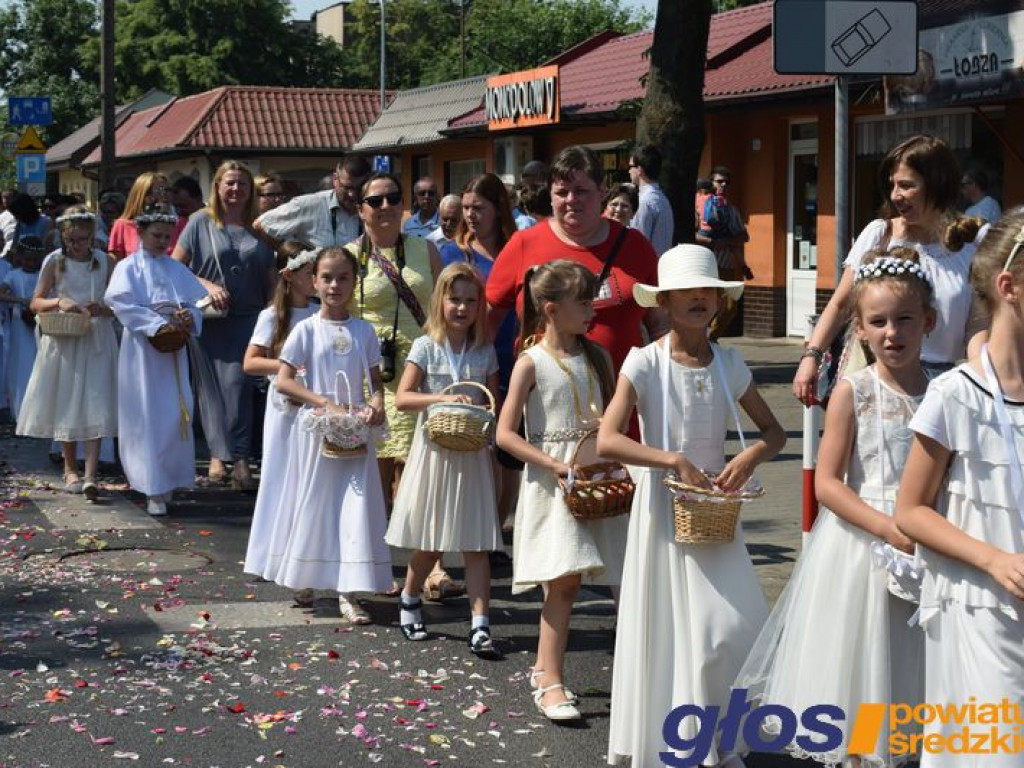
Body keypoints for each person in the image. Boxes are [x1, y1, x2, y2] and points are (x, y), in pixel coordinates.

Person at [738, 247, 932, 767]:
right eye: (879, 322)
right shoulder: (853, 392)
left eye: (905, 319)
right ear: (862, 330)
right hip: (862, 546)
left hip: (924, 547)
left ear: (928, 322)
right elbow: (827, 483)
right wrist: (888, 527)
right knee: (863, 676)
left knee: (911, 673)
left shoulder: (942, 392)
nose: (893, 332)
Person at [598, 244, 785, 766]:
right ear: (664, 301)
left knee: (731, 628)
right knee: (673, 628)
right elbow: (609, 439)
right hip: (664, 511)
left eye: (708, 290)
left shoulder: (729, 362)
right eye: (687, 291)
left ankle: (715, 738)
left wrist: (749, 455)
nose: (699, 298)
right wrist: (670, 460)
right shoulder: (645, 362)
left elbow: (773, 432)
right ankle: (677, 743)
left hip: (715, 513)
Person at [895, 208, 1024, 768]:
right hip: (980, 607)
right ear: (1009, 286)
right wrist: (993, 559)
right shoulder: (957, 394)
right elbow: (911, 511)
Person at [497, 260, 627, 722]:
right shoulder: (530, 363)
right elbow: (506, 434)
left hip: (598, 478)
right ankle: (550, 679)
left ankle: (621, 674)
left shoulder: (600, 357)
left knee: (622, 578)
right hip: (554, 485)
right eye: (584, 302)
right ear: (551, 310)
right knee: (564, 582)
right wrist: (552, 463)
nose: (594, 308)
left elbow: (616, 418)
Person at [794, 135, 987, 404]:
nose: (896, 195)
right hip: (878, 381)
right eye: (892, 185)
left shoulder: (972, 243)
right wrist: (811, 357)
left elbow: (978, 324)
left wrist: (983, 378)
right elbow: (841, 304)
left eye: (906, 185)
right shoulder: (879, 234)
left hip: (947, 388)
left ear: (937, 185)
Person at [386, 263, 502, 654]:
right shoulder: (425, 345)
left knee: (476, 543)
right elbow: (402, 398)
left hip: (470, 453)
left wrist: (489, 436)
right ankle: (409, 595)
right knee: (433, 541)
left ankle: (481, 625)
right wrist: (442, 398)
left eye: (471, 300)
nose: (462, 308)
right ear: (441, 301)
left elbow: (493, 404)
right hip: (434, 452)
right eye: (455, 299)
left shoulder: (485, 349)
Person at [273, 246, 391, 625]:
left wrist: (375, 406)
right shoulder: (305, 329)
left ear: (354, 282)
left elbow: (375, 384)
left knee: (353, 509)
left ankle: (348, 590)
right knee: (315, 503)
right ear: (313, 282)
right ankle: (306, 573)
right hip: (319, 433)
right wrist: (322, 401)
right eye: (326, 277)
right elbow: (284, 380)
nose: (334, 285)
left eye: (343, 277)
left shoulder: (364, 330)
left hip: (354, 433)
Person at [488, 145, 665, 377]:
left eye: (581, 191)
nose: (571, 200)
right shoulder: (523, 244)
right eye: (562, 192)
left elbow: (660, 325)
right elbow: (486, 326)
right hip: (545, 401)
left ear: (602, 191)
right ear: (549, 195)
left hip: (624, 404)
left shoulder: (635, 245)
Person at [172, 160, 277, 490]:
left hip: (250, 318)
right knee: (211, 391)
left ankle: (241, 458)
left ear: (251, 190)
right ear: (217, 187)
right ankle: (220, 454)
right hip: (211, 321)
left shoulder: (259, 227)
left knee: (240, 388)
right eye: (229, 183)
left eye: (242, 184)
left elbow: (271, 277)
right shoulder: (199, 222)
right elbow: (175, 267)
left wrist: (276, 315)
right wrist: (208, 285)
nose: (236, 190)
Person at [343, 172, 441, 511]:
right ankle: (373, 553)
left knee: (420, 465)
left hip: (420, 370)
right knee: (374, 468)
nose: (385, 206)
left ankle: (424, 558)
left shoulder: (426, 249)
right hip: (373, 374)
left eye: (393, 198)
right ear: (360, 210)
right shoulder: (348, 257)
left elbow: (441, 308)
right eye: (375, 201)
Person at [105, 206, 206, 516]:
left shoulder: (175, 268)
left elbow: (194, 301)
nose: (163, 241)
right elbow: (120, 301)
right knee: (147, 415)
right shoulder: (128, 267)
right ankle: (152, 486)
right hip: (143, 352)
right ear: (141, 233)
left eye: (167, 236)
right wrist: (155, 325)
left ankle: (171, 478)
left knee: (176, 414)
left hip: (174, 350)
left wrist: (190, 317)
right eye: (157, 235)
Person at [16, 208, 119, 502]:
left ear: (92, 237)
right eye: (73, 240)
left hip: (96, 336)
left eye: (84, 240)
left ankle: (90, 473)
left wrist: (104, 309)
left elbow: (120, 302)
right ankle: (70, 467)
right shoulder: (55, 261)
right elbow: (35, 302)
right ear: (64, 236)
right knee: (66, 400)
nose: (78, 246)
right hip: (64, 338)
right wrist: (58, 301)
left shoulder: (106, 262)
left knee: (95, 400)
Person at [241, 241, 318, 595]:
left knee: (307, 478)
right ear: (290, 276)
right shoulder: (272, 316)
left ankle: (303, 552)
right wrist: (287, 366)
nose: (317, 279)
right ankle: (269, 551)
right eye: (309, 273)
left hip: (313, 403)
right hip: (285, 405)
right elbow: (251, 361)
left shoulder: (320, 314)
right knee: (280, 473)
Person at [254, 155, 371, 250]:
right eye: (346, 187)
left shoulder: (376, 206)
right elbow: (261, 225)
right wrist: (289, 257)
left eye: (359, 188)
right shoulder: (308, 204)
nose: (352, 194)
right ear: (335, 179)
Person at [696, 166, 751, 339]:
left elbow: (744, 235)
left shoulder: (730, 209)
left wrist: (725, 242)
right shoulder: (698, 206)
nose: (723, 185)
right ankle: (699, 341)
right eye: (719, 181)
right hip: (703, 265)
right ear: (710, 182)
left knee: (729, 308)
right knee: (702, 306)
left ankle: (710, 340)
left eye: (726, 182)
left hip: (726, 266)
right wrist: (712, 242)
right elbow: (690, 234)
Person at [1, 236, 46, 420]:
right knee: (21, 364)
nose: (31, 263)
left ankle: (40, 413)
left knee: (39, 362)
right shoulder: (13, 275)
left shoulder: (42, 275)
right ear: (19, 257)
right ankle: (21, 413)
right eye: (27, 259)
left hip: (39, 323)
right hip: (20, 324)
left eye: (35, 260)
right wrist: (21, 301)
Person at [108, 172, 185, 259]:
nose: (165, 195)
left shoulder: (180, 224)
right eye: (160, 190)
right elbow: (115, 263)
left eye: (168, 190)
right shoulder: (122, 225)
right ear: (144, 195)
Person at [627, 144, 674, 256]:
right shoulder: (662, 198)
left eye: (630, 167)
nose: (628, 171)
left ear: (639, 170)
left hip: (646, 268)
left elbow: (637, 243)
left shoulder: (644, 201)